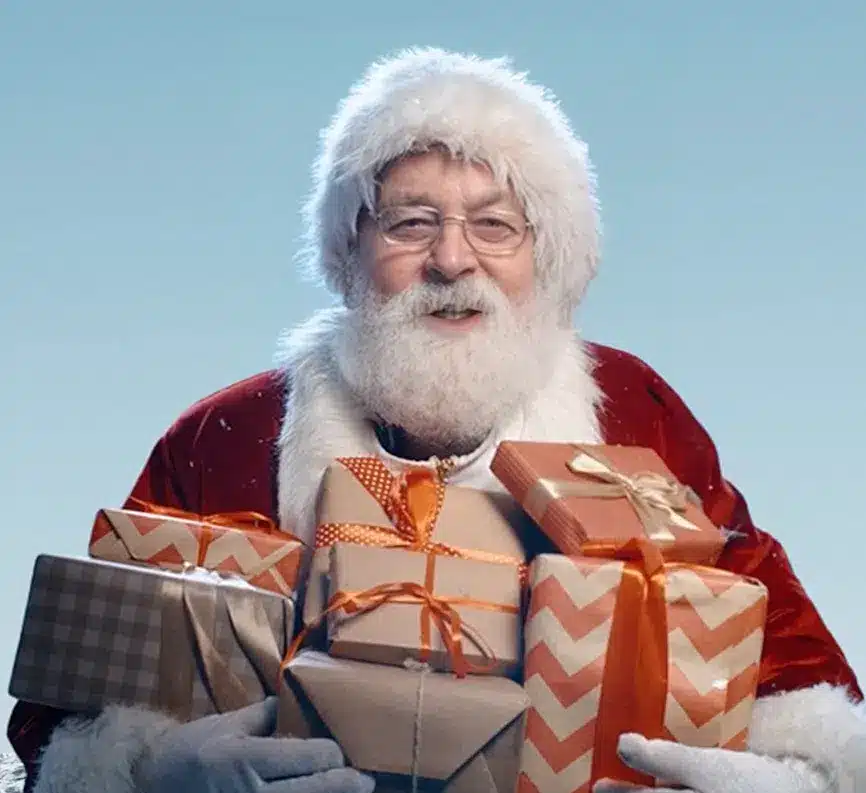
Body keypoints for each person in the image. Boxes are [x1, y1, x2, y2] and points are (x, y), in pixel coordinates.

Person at [9, 48, 865, 793]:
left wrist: (781, 776)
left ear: (548, 259)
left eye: (495, 226)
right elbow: (68, 692)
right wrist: (155, 773)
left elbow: (784, 651)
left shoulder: (631, 417)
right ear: (350, 252)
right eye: (411, 223)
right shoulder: (227, 438)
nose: (452, 260)